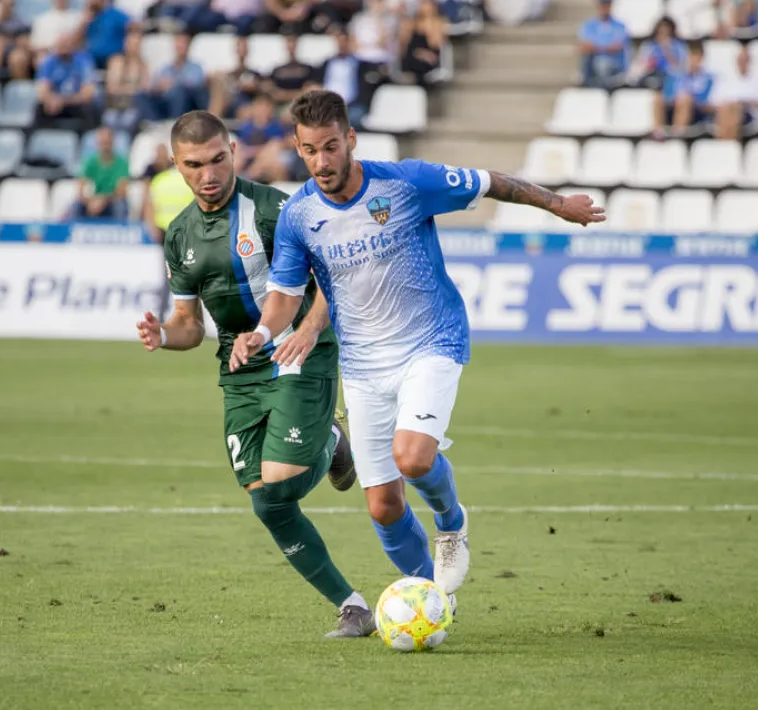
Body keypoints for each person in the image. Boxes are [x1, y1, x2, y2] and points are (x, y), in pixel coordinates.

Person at [229, 90, 604, 598]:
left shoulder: (404, 182)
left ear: (351, 140)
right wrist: (264, 332)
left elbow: (491, 182)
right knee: (383, 505)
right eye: (311, 150)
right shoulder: (299, 217)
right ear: (298, 147)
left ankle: (451, 523)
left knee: (413, 459)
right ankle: (429, 598)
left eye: (332, 147)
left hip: (430, 341)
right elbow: (285, 294)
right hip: (362, 367)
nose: (322, 161)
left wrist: (558, 204)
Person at [136, 110, 374, 638]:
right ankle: (353, 606)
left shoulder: (275, 211)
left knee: (282, 483)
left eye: (218, 159)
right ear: (176, 166)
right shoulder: (179, 236)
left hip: (297, 351)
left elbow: (335, 284)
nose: (209, 174)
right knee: (266, 501)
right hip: (238, 368)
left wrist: (305, 332)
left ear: (234, 150)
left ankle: (329, 438)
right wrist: (163, 336)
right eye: (194, 164)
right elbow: (188, 326)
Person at [651, 39, 714, 139]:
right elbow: (667, 95)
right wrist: (674, 98)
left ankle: (677, 136)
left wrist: (687, 98)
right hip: (675, 106)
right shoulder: (675, 75)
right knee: (657, 97)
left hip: (696, 111)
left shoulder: (708, 78)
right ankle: (658, 133)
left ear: (701, 58)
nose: (692, 60)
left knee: (685, 99)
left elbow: (705, 99)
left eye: (696, 56)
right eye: (690, 56)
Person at [34, 33, 98, 131]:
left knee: (89, 109)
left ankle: (86, 138)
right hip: (55, 103)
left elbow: (87, 93)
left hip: (75, 102)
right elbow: (42, 91)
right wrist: (50, 99)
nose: (63, 47)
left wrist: (63, 101)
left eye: (66, 44)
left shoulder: (84, 60)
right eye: (61, 44)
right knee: (39, 108)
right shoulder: (49, 62)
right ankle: (39, 138)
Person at [711, 46, 758, 140]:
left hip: (750, 115)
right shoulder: (725, 80)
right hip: (726, 112)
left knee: (735, 109)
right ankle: (727, 141)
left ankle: (725, 143)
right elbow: (715, 102)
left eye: (745, 60)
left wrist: (744, 103)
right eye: (740, 60)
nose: (742, 63)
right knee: (728, 110)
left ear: (750, 62)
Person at [76, 126, 130, 220]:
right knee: (76, 205)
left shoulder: (122, 163)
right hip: (92, 200)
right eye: (102, 143)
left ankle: (119, 230)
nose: (105, 146)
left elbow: (121, 191)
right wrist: (89, 201)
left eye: (107, 143)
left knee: (120, 205)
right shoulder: (90, 162)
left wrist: (103, 200)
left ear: (112, 143)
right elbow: (81, 186)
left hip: (112, 200)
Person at [577, 0, 631, 89]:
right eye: (602, 4)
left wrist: (595, 47)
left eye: (607, 4)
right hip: (593, 62)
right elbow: (584, 46)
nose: (604, 7)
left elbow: (617, 47)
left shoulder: (620, 25)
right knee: (590, 60)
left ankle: (603, 88)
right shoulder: (589, 25)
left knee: (602, 63)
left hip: (613, 64)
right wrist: (606, 48)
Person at [626, 15, 687, 90]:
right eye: (661, 30)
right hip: (651, 74)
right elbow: (641, 63)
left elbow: (680, 68)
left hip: (669, 76)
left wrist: (666, 49)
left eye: (666, 30)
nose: (663, 33)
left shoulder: (678, 46)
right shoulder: (649, 45)